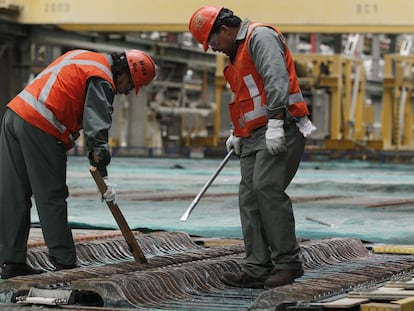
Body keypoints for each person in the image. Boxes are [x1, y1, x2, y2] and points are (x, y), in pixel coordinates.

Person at [188, 6, 316, 289]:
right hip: (251, 135)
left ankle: (287, 263)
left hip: (280, 126)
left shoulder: (260, 37)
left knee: (267, 188)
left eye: (212, 42)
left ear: (224, 30)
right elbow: (245, 98)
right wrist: (236, 132)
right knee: (249, 196)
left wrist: (274, 124)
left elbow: (276, 80)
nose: (212, 48)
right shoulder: (236, 57)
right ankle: (257, 267)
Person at [0, 49, 156, 279]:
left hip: (14, 116)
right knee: (51, 196)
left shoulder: (84, 58)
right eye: (130, 87)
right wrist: (103, 174)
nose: (125, 92)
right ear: (124, 74)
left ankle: (11, 262)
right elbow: (97, 128)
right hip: (41, 125)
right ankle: (64, 263)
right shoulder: (102, 77)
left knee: (13, 193)